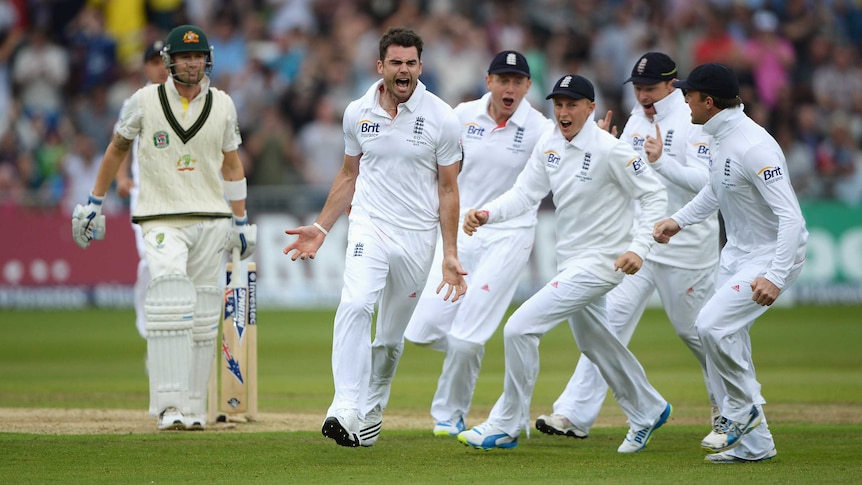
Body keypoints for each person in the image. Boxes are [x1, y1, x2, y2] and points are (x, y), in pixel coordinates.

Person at [457, 74, 671, 453]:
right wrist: (488, 213)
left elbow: (654, 194)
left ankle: (507, 424)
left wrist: (640, 248)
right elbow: (525, 194)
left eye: (573, 104)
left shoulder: (610, 149)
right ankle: (648, 408)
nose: (564, 111)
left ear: (590, 108)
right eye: (558, 104)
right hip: (570, 261)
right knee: (595, 341)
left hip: (603, 263)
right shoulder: (550, 144)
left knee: (519, 328)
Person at [282, 27, 467, 448]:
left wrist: (449, 252)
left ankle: (371, 408)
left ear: (421, 66)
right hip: (369, 223)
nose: (404, 71)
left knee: (387, 339)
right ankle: (345, 407)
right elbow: (349, 174)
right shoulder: (357, 112)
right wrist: (323, 226)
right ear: (379, 66)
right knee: (355, 304)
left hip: (417, 237)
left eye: (411, 63)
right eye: (396, 63)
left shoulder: (442, 118)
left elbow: (448, 189)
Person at [71, 24, 257, 431]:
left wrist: (241, 219)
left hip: (211, 218)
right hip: (160, 217)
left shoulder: (223, 104)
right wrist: (94, 201)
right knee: (171, 298)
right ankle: (167, 406)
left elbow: (231, 164)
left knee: (206, 314)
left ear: (206, 59)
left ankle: (192, 408)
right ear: (170, 61)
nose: (191, 63)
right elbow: (116, 149)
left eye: (197, 56)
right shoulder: (142, 101)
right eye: (183, 57)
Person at [535, 52, 719, 440]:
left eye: (650, 88)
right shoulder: (636, 119)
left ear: (672, 85)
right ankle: (572, 414)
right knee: (608, 323)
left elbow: (708, 185)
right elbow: (628, 176)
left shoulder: (694, 119)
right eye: (637, 89)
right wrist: (607, 147)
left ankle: (730, 408)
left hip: (687, 244)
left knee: (696, 331)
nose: (643, 95)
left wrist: (663, 162)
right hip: (639, 242)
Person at [655, 63, 808, 463]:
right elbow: (715, 189)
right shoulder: (718, 135)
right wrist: (678, 220)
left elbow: (792, 217)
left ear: (708, 101)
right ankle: (757, 446)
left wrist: (774, 275)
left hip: (771, 255)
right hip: (737, 253)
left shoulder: (753, 145)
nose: (683, 99)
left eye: (689, 94)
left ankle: (744, 409)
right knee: (728, 337)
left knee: (710, 324)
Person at [403, 50, 553, 437]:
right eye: (503, 79)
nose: (510, 87)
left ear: (527, 86)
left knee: (467, 336)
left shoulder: (539, 128)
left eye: (517, 81)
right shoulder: (463, 115)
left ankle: (448, 414)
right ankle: (469, 346)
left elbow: (563, 164)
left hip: (510, 236)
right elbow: (433, 164)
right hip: (460, 231)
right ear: (489, 81)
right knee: (420, 331)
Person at [114, 40, 169, 341]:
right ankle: (150, 334)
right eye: (154, 61)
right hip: (145, 196)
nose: (160, 67)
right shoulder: (135, 102)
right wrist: (121, 177)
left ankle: (174, 332)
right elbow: (119, 145)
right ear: (146, 67)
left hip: (180, 196)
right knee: (151, 261)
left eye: (164, 60)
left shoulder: (186, 98)